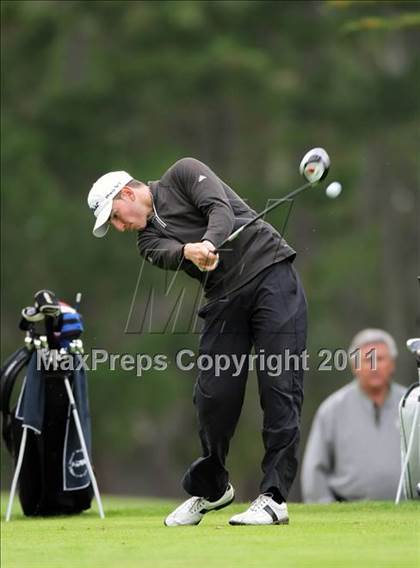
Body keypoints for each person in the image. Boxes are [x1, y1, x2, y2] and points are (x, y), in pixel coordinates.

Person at [88, 157, 307, 525]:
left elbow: (218, 208)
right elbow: (169, 254)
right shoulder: (147, 241)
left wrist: (209, 240)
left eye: (115, 216)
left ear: (127, 193)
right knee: (212, 395)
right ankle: (214, 488)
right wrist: (190, 251)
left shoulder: (183, 173)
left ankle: (273, 498)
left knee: (279, 387)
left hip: (271, 273)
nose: (119, 226)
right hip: (224, 295)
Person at [301, 328, 406, 503]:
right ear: (354, 365)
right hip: (348, 515)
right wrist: (328, 514)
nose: (374, 366)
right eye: (367, 360)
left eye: (380, 359)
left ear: (392, 364)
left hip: (408, 513)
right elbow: (315, 470)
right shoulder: (332, 409)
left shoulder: (412, 404)